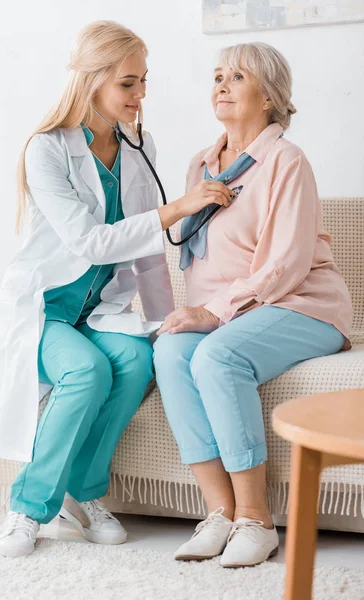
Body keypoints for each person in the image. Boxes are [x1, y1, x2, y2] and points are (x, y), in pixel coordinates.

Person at [0, 20, 232, 558]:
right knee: (85, 370)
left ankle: (84, 491)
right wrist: (179, 207)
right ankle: (27, 507)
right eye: (128, 83)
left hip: (99, 312)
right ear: (92, 79)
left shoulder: (139, 148)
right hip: (44, 311)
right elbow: (89, 241)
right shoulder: (46, 149)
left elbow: (145, 253)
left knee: (137, 360)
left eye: (143, 82)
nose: (141, 95)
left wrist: (168, 324)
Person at [153, 42, 352, 568]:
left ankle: (256, 520)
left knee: (217, 356)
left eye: (236, 77)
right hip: (235, 309)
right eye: (217, 75)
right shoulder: (201, 164)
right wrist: (191, 316)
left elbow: (285, 264)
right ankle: (218, 513)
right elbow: (200, 259)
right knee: (171, 352)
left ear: (269, 96)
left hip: (302, 304)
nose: (220, 84)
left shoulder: (286, 160)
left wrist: (214, 315)